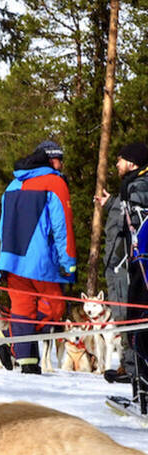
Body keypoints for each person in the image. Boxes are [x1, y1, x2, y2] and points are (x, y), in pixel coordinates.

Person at [0, 140, 76, 374]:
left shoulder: (12, 184)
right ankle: (13, 339)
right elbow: (63, 227)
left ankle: (27, 364)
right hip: (41, 261)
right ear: (52, 159)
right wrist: (68, 263)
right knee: (54, 308)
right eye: (60, 159)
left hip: (11, 260)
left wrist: (3, 259)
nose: (62, 164)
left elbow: (3, 226)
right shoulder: (54, 183)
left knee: (22, 310)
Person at [96, 142, 148, 406]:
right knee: (134, 323)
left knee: (137, 323)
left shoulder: (139, 186)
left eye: (120, 160)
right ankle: (137, 382)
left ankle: (140, 384)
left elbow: (136, 222)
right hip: (130, 265)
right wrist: (113, 203)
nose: (116, 164)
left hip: (135, 266)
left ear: (132, 162)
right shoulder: (132, 185)